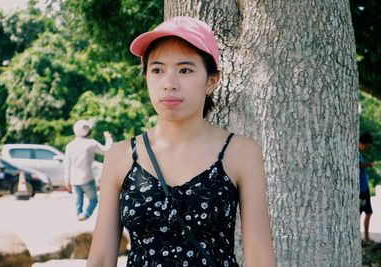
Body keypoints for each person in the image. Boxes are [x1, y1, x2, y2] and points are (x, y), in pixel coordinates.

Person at [87, 16, 276, 266]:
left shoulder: (240, 153)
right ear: (146, 78)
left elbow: (260, 257)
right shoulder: (120, 156)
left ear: (211, 81)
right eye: (157, 70)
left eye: (185, 70)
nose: (169, 83)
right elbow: (100, 257)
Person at [64, 119, 113, 221]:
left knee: (78, 202)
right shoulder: (91, 143)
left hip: (74, 179)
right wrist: (108, 139)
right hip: (87, 177)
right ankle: (85, 215)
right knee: (93, 200)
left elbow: (67, 164)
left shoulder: (70, 145)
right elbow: (108, 151)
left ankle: (79, 216)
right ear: (88, 131)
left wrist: (66, 180)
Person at [358, 132, 373, 242]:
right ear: (362, 143)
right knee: (358, 213)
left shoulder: (360, 154)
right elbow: (357, 165)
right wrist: (367, 164)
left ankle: (366, 237)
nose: (366, 148)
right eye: (367, 145)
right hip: (361, 190)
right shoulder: (355, 153)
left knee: (369, 212)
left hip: (365, 188)